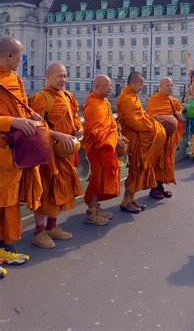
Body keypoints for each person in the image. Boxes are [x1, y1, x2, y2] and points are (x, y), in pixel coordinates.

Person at [29, 63, 84, 249]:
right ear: (47, 77)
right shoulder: (42, 98)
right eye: (59, 76)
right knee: (45, 190)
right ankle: (39, 231)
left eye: (65, 76)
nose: (63, 80)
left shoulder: (68, 96)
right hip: (47, 153)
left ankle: (52, 227)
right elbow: (36, 126)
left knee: (60, 190)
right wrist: (57, 134)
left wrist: (78, 128)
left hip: (64, 153)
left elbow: (75, 116)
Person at [0, 37, 42, 272]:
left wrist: (31, 115)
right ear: (8, 55)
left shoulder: (15, 79)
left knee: (10, 203)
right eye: (19, 56)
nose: (21, 60)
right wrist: (12, 121)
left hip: (14, 153)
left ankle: (5, 247)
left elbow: (23, 106)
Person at [116, 71, 166, 213]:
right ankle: (126, 201)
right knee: (135, 169)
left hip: (139, 137)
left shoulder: (134, 97)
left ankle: (131, 199)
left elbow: (141, 116)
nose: (142, 87)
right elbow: (134, 122)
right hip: (133, 137)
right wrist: (152, 126)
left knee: (139, 169)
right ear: (132, 83)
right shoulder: (127, 99)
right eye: (140, 84)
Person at [82, 75, 128, 225]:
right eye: (106, 86)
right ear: (97, 86)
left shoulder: (104, 102)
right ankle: (90, 211)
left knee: (102, 178)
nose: (110, 89)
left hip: (106, 146)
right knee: (97, 178)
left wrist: (117, 133)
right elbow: (97, 132)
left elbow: (109, 124)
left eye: (110, 86)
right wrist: (116, 139)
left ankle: (95, 206)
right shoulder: (93, 104)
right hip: (98, 147)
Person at [146, 77, 184, 199]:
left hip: (169, 138)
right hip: (158, 137)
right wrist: (162, 117)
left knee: (167, 162)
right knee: (157, 162)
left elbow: (179, 110)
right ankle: (154, 189)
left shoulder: (173, 101)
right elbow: (148, 115)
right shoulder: (155, 99)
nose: (170, 87)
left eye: (172, 85)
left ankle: (161, 187)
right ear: (160, 87)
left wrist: (177, 114)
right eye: (167, 85)